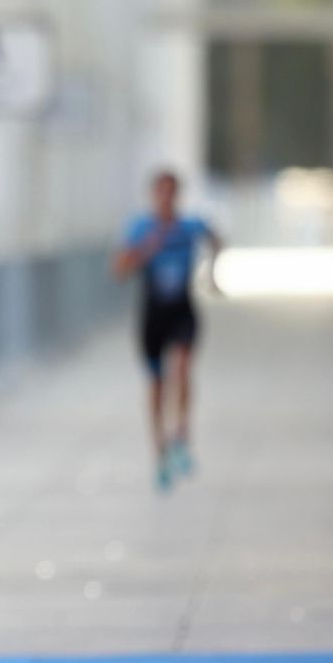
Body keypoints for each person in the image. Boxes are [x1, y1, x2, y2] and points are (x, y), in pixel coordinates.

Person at [113, 170, 223, 490]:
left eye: (171, 192)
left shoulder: (189, 226)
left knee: (184, 367)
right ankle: (159, 452)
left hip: (182, 311)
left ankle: (182, 434)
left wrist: (213, 274)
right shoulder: (140, 227)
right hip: (153, 315)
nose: (166, 198)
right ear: (152, 195)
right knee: (157, 384)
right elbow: (119, 268)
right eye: (160, 192)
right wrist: (147, 247)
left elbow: (216, 239)